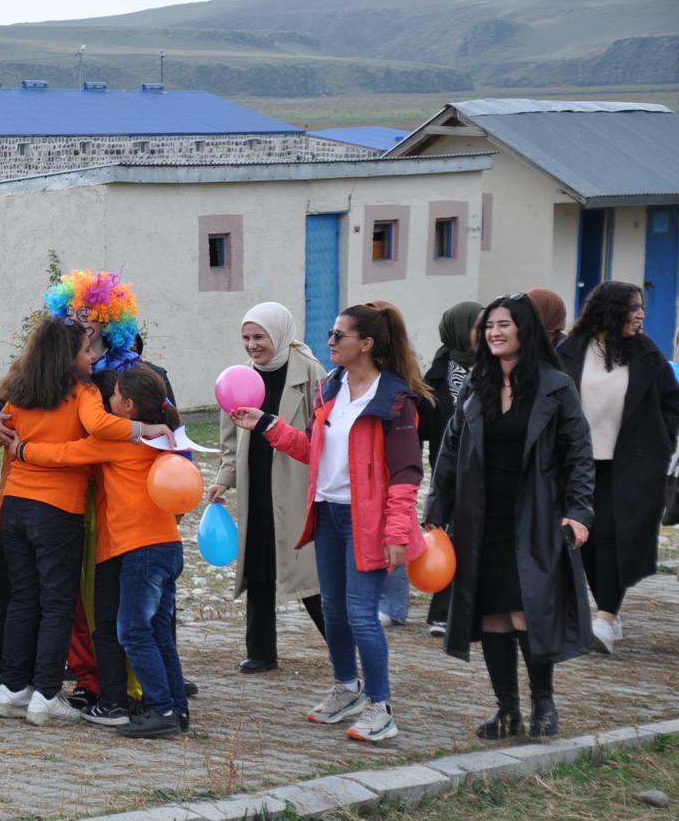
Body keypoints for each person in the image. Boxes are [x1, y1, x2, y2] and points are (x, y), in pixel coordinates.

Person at [230, 302, 429, 743]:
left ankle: (381, 705)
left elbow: (406, 473)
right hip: (329, 515)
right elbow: (310, 449)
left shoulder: (395, 399)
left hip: (368, 521)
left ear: (367, 344)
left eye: (339, 336)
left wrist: (397, 532)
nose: (330, 342)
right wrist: (266, 424)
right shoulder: (331, 389)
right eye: (332, 333)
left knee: (361, 615)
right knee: (335, 612)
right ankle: (347, 688)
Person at [426, 293, 595, 738]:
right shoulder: (475, 387)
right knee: (491, 615)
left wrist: (579, 513)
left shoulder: (555, 386)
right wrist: (435, 513)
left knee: (526, 612)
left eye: (503, 325)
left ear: (524, 329)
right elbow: (449, 454)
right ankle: (506, 709)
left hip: (536, 517)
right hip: (480, 519)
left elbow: (579, 454)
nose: (493, 333)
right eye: (488, 327)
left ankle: (543, 703)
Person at [0, 317, 172, 726]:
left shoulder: (20, 390)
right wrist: (144, 428)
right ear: (68, 356)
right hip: (56, 511)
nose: (93, 356)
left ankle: (11, 689)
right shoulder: (82, 391)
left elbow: (0, 424)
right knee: (56, 604)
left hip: (15, 505)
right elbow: (100, 426)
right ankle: (46, 695)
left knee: (23, 599)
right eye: (86, 350)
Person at [556, 281, 679, 654]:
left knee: (615, 538)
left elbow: (671, 401)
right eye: (634, 308)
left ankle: (606, 616)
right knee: (584, 542)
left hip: (631, 467)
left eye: (641, 307)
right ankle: (604, 608)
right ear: (610, 310)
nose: (641, 314)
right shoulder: (571, 351)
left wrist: (661, 441)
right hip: (577, 466)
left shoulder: (645, 353)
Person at [210, 302, 326, 674]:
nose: (252, 345)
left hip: (294, 481)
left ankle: (343, 646)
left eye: (259, 336)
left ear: (279, 334)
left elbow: (321, 435)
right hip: (256, 477)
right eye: (246, 337)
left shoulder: (310, 373)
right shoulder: (240, 377)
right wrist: (223, 480)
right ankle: (260, 651)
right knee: (259, 562)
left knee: (305, 570)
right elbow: (230, 441)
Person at [417, 300, 482, 637]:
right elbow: (422, 428)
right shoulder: (438, 373)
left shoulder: (497, 368)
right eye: (477, 325)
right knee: (446, 536)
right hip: (448, 470)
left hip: (486, 471)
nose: (484, 333)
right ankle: (441, 613)